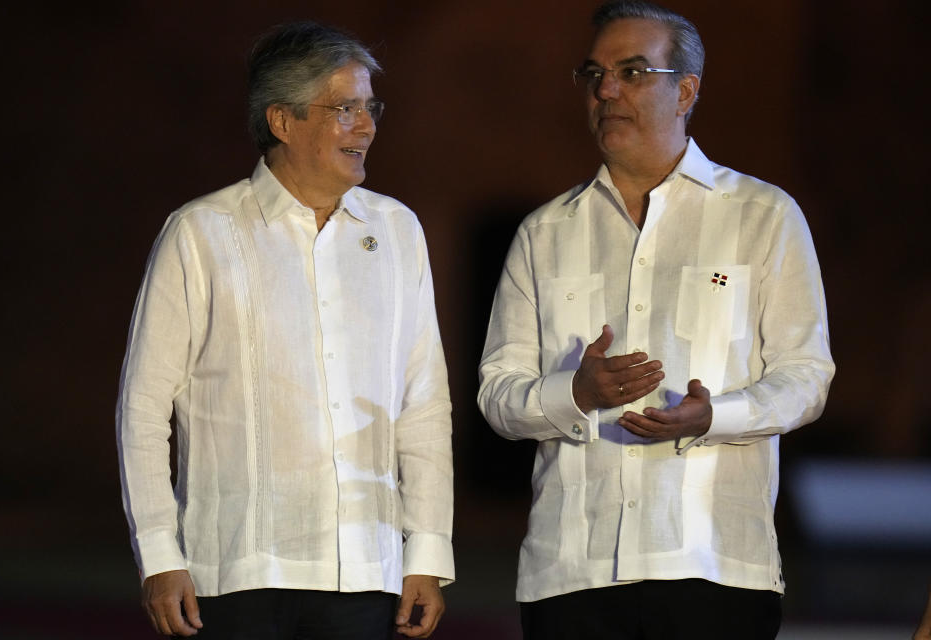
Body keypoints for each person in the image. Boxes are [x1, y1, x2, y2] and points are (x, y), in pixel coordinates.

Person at [477, 2, 834, 638]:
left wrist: (714, 416)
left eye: (633, 71)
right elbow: (497, 397)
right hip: (570, 575)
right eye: (594, 74)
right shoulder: (544, 233)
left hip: (713, 565)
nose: (607, 90)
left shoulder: (763, 216)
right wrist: (574, 393)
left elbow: (806, 377)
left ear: (686, 90)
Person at [117, 21, 454, 640]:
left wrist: (428, 551)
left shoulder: (398, 230)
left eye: (370, 107)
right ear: (282, 120)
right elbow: (143, 407)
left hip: (366, 572)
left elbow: (423, 401)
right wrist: (161, 556)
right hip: (235, 574)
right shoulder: (200, 231)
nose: (367, 126)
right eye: (345, 108)